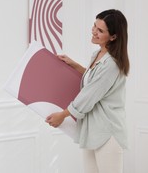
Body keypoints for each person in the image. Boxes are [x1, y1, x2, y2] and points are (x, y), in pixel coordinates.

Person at [45, 9, 129, 173]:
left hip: (107, 133)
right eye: (94, 26)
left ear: (113, 36)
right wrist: (74, 64)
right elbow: (95, 82)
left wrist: (62, 115)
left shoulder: (111, 64)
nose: (94, 32)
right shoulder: (98, 53)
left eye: (100, 30)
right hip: (93, 130)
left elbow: (89, 95)